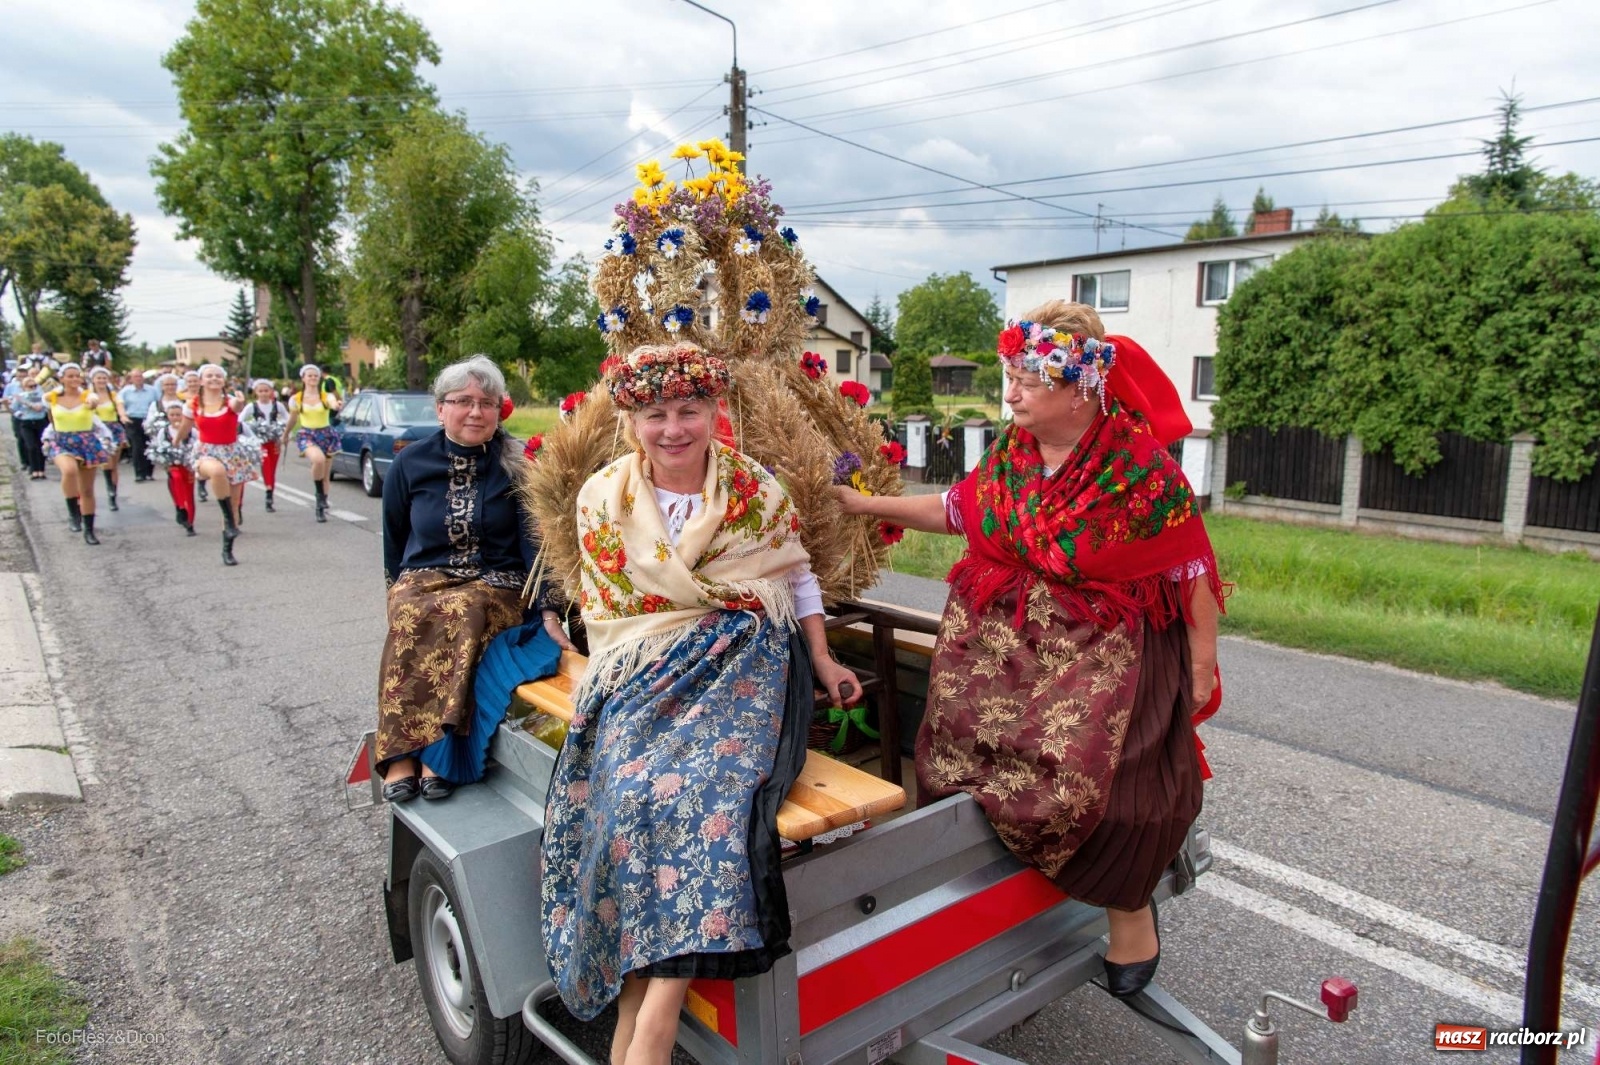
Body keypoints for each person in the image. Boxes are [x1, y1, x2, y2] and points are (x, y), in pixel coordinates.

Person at [836, 301, 1225, 1000]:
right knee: (952, 748)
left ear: (1081, 387)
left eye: (1027, 379)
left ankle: (1129, 910)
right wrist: (867, 508)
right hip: (1002, 651)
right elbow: (957, 509)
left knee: (1092, 787)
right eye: (1010, 375)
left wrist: (1199, 665)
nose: (1010, 392)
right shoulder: (1012, 458)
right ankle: (991, 887)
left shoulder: (1140, 472)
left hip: (1098, 654)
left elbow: (1188, 569)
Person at [540, 343, 859, 1064]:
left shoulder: (755, 490)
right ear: (632, 419)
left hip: (742, 659)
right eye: (655, 413)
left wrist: (821, 654)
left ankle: (651, 1024)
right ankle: (643, 1004)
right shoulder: (604, 497)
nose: (674, 428)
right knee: (627, 794)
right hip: (644, 665)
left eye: (689, 410)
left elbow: (795, 576)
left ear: (715, 412)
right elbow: (613, 609)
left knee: (708, 795)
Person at [376, 354, 575, 803]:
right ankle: (399, 754)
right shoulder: (411, 463)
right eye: (462, 401)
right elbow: (393, 536)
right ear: (440, 408)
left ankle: (437, 756)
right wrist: (394, 592)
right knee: (411, 610)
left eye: (487, 402)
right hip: (426, 576)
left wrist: (547, 608)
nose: (475, 411)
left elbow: (534, 544)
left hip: (496, 582)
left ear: (499, 409)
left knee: (463, 609)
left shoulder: (518, 463)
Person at [174, 364, 259, 565]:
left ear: (224, 380)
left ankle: (227, 548)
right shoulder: (192, 404)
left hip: (232, 453)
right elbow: (185, 428)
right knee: (217, 471)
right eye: (209, 375)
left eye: (218, 376)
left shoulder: (229, 402)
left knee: (234, 503)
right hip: (206, 452)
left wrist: (240, 400)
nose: (214, 379)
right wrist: (175, 442)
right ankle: (229, 520)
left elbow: (237, 407)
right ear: (202, 380)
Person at [41, 363, 110, 545]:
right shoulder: (53, 397)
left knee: (87, 490)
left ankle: (89, 530)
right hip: (62, 441)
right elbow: (47, 406)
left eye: (76, 376)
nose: (73, 379)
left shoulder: (87, 395)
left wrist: (91, 401)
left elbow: (93, 400)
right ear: (62, 378)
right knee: (69, 470)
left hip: (86, 442)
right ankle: (73, 512)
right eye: (69, 376)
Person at [281, 364, 342, 522]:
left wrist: (337, 405)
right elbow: (293, 418)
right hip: (308, 434)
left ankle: (320, 505)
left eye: (315, 375)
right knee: (317, 459)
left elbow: (333, 404)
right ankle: (318, 494)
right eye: (309, 375)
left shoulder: (325, 396)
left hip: (326, 434)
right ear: (303, 378)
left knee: (325, 475)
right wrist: (286, 434)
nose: (313, 378)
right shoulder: (296, 399)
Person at [146, 397, 198, 536]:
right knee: (176, 479)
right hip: (173, 465)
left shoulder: (191, 431)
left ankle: (190, 523)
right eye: (172, 415)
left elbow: (200, 444)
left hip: (188, 465)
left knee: (189, 493)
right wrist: (165, 461)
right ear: (167, 416)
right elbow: (157, 447)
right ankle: (181, 507)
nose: (175, 418)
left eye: (178, 415)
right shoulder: (164, 431)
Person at [237, 379, 288, 514]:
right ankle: (269, 493)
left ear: (271, 391)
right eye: (261, 391)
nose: (264, 394)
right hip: (260, 443)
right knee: (266, 465)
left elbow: (288, 419)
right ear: (256, 392)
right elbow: (239, 421)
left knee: (272, 468)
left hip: (274, 441)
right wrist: (252, 431)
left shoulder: (278, 405)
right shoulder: (252, 406)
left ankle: (270, 492)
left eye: (266, 391)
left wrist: (281, 431)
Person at [87, 367, 127, 511]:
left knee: (114, 465)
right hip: (98, 430)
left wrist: (122, 416)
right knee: (106, 463)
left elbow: (120, 406)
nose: (101, 381)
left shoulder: (113, 395)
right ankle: (109, 486)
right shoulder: (89, 396)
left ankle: (113, 495)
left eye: (104, 378)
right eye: (99, 378)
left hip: (113, 428)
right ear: (93, 380)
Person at [5, 368, 49, 479]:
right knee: (31, 446)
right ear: (24, 387)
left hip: (40, 421)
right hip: (26, 423)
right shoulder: (21, 397)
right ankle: (33, 469)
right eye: (30, 386)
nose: (33, 388)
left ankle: (41, 470)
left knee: (40, 446)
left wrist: (40, 406)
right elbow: (14, 409)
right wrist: (21, 414)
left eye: (34, 386)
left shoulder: (41, 395)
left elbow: (46, 407)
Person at [118, 368, 160, 481]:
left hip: (149, 419)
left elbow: (158, 403)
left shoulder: (152, 390)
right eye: (135, 377)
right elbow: (120, 404)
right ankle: (139, 473)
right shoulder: (125, 391)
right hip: (133, 420)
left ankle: (149, 472)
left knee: (150, 445)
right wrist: (123, 416)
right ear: (131, 379)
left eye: (140, 376)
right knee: (137, 446)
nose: (138, 379)